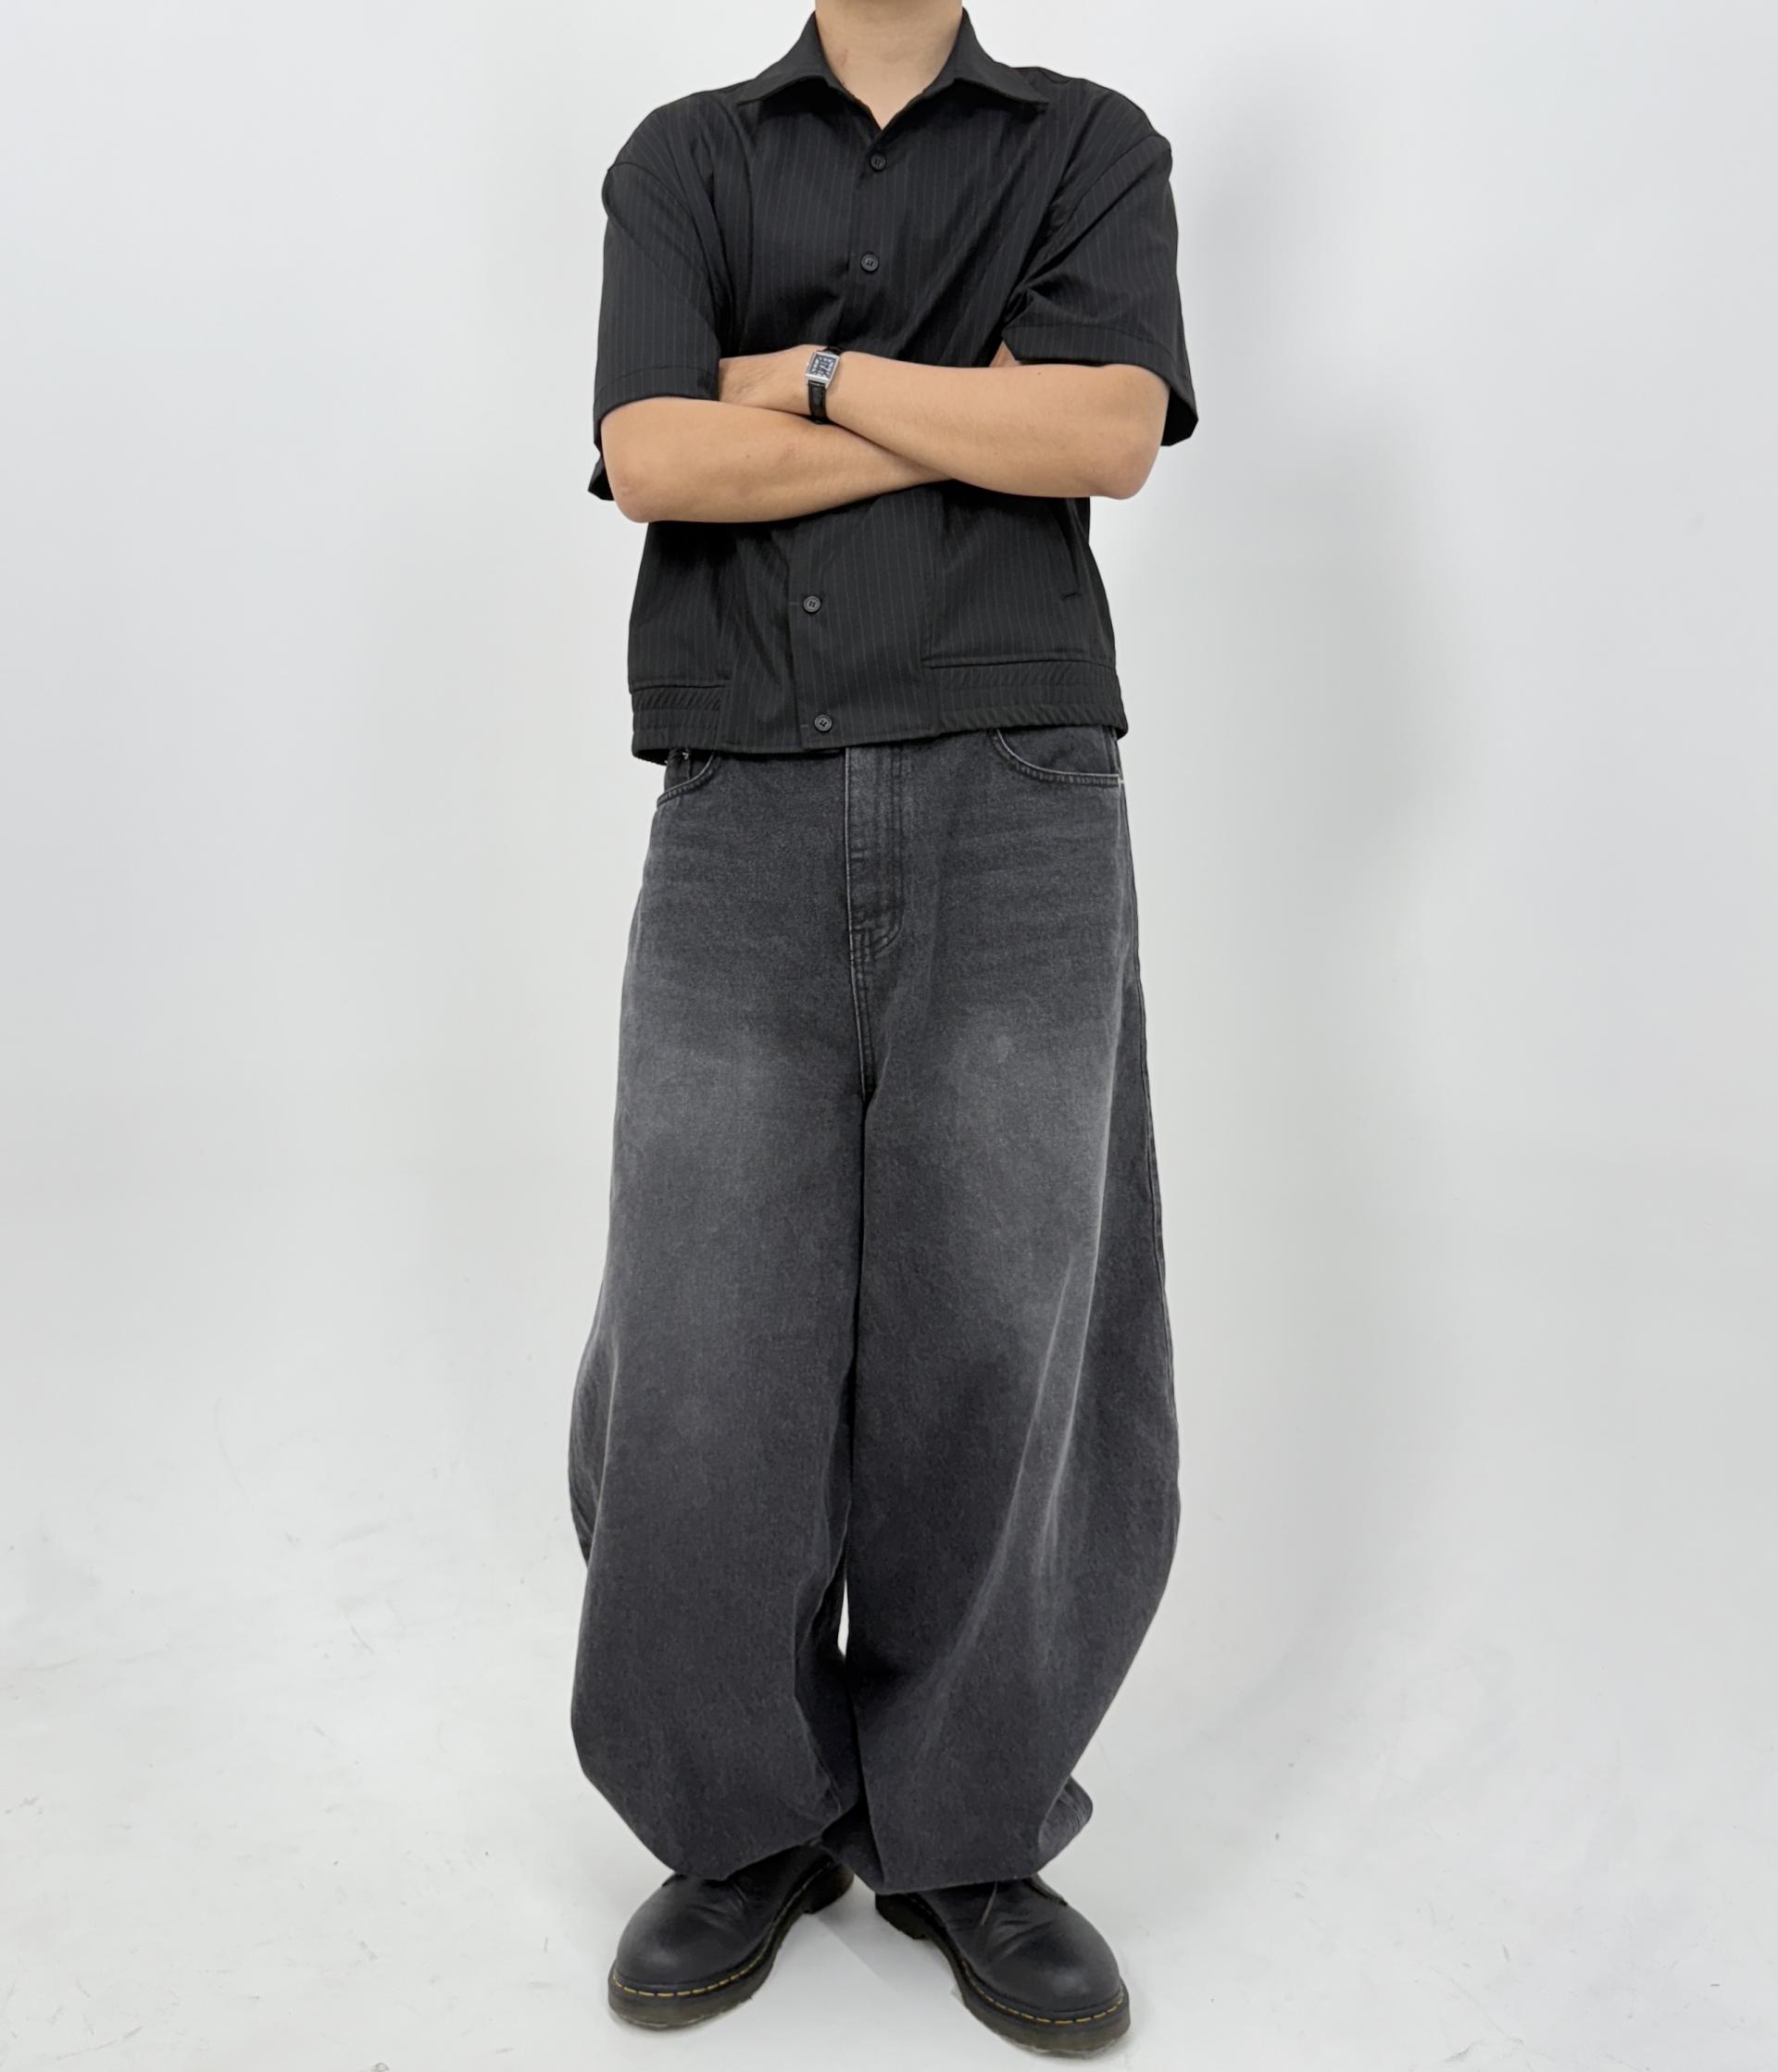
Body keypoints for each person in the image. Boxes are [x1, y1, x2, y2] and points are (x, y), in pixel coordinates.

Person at [566, 1, 1196, 2051]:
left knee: (1005, 1321)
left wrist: (817, 377)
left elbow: (1108, 435)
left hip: (1020, 794)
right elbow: (658, 457)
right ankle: (741, 1819)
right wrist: (968, 406)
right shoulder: (683, 156)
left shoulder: (1089, 143)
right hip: (740, 793)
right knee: (704, 1333)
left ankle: (969, 1831)